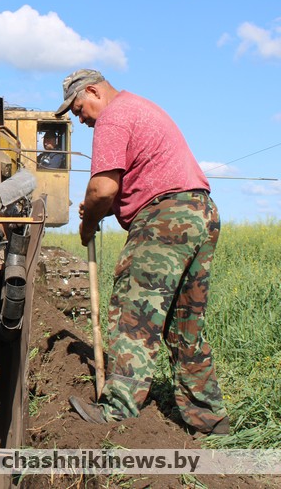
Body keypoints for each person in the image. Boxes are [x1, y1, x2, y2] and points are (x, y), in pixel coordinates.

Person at [55, 69, 229, 436]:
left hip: (164, 218)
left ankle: (118, 410)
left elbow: (103, 188)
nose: (79, 118)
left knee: (133, 314)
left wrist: (88, 222)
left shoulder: (114, 116)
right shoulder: (140, 108)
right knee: (186, 327)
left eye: (77, 108)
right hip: (200, 211)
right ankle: (209, 421)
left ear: (92, 91)